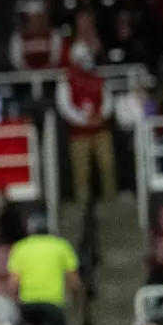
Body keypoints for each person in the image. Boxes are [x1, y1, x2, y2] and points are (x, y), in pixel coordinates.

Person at [59, 43, 118, 210]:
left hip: (101, 130)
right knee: (81, 170)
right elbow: (65, 107)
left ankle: (111, 200)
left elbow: (108, 101)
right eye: (82, 58)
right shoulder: (66, 80)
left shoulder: (99, 78)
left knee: (107, 165)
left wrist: (100, 117)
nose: (86, 61)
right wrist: (84, 120)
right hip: (79, 133)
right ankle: (82, 204)